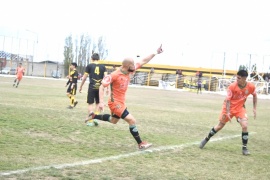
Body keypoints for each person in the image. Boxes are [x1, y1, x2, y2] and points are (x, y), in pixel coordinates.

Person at [85, 44, 163, 150]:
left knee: (113, 121)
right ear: (127, 66)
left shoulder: (130, 70)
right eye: (132, 65)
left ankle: (93, 116)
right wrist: (101, 102)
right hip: (115, 103)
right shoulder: (114, 75)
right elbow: (102, 87)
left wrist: (155, 52)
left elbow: (144, 60)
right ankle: (141, 143)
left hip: (121, 102)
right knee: (132, 121)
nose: (134, 66)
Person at [199, 70, 257, 155]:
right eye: (236, 77)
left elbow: (255, 95)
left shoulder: (251, 87)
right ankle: (206, 139)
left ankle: (244, 148)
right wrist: (228, 112)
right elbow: (228, 100)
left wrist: (254, 108)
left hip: (240, 109)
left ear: (244, 78)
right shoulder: (232, 87)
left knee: (245, 125)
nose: (237, 79)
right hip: (228, 108)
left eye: (239, 78)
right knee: (219, 126)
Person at [79, 53, 107, 126]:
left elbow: (84, 77)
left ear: (92, 59)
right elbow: (106, 78)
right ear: (99, 59)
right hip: (100, 88)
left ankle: (91, 121)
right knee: (98, 103)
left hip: (92, 87)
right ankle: (95, 119)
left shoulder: (89, 66)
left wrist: (81, 86)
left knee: (90, 103)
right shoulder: (103, 67)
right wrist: (106, 88)